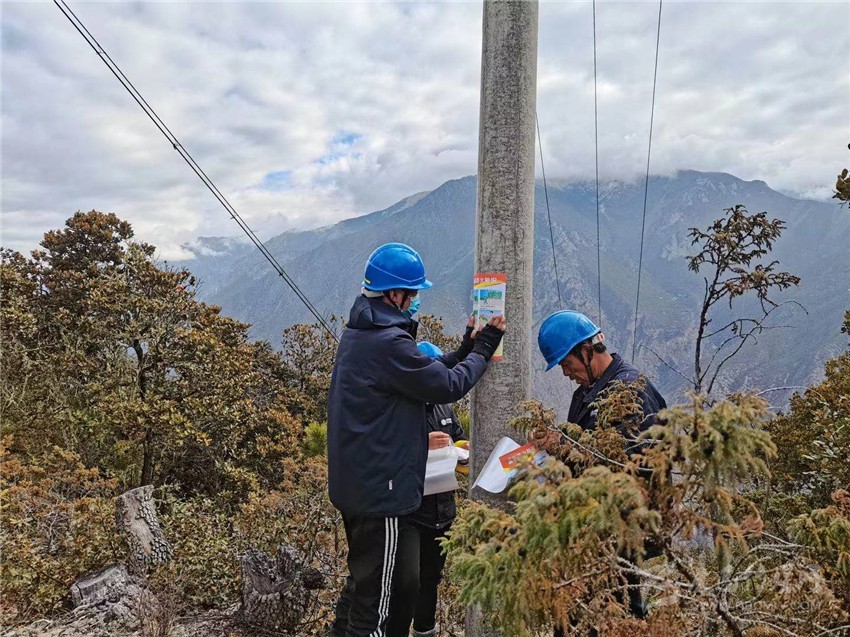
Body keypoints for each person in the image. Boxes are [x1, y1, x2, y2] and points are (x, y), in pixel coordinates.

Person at [328, 243, 505, 637]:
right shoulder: (388, 342)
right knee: (378, 605)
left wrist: (464, 348)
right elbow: (447, 385)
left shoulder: (361, 335)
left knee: (360, 588)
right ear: (395, 294)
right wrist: (484, 348)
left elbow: (423, 371)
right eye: (412, 294)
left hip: (356, 487)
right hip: (382, 495)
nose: (414, 301)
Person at [533, 310, 667, 623]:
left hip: (623, 528)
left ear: (587, 351)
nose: (566, 373)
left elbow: (623, 465)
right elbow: (586, 441)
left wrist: (561, 445)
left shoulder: (630, 393)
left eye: (567, 364)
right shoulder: (587, 392)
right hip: (596, 526)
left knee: (617, 610)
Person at [408, 341, 468, 637]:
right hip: (411, 514)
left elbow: (459, 438)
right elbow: (388, 455)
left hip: (443, 513)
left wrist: (463, 451)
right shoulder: (403, 409)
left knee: (431, 580)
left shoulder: (444, 406)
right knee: (407, 581)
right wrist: (424, 445)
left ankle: (425, 630)